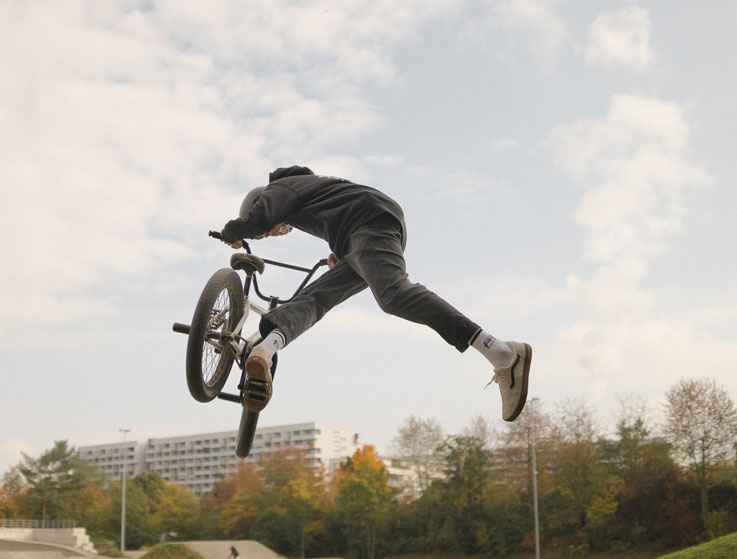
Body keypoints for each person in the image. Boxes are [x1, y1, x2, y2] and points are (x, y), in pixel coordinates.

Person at [217, 167, 533, 422]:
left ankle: (502, 352)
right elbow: (336, 216)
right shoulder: (315, 190)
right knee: (318, 298)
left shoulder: (283, 187)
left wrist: (236, 231)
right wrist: (342, 253)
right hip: (358, 233)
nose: (277, 232)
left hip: (369, 222)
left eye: (274, 230)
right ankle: (265, 349)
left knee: (393, 294)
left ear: (260, 201)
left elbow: (261, 216)